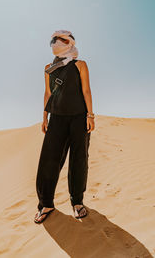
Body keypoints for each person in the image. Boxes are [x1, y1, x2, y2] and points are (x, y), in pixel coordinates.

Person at [34, 30, 95, 224]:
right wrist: (44, 116)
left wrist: (90, 115)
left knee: (79, 159)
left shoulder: (80, 65)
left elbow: (86, 90)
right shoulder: (48, 68)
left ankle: (77, 202)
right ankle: (46, 204)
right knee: (48, 160)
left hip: (78, 117)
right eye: (52, 39)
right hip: (57, 119)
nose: (54, 42)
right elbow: (48, 93)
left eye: (59, 39)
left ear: (69, 42)